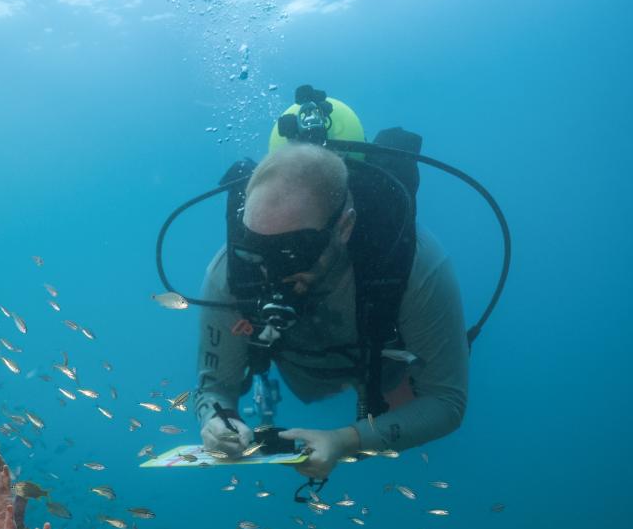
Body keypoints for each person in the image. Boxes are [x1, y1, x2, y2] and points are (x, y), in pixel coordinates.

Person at [193, 97, 470, 484]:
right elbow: (214, 388)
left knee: (402, 397)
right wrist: (217, 420)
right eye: (256, 249)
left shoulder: (414, 266)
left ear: (344, 226)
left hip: (386, 368)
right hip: (304, 374)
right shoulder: (230, 271)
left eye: (296, 251)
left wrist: (345, 441)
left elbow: (446, 402)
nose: (273, 273)